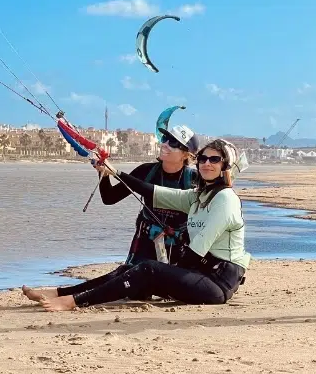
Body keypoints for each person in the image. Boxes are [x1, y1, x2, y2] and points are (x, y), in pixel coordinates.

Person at [37, 138, 251, 312]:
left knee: (148, 269)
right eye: (203, 158)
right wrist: (116, 173)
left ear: (226, 165)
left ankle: (71, 303)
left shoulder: (225, 199)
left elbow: (197, 250)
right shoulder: (198, 196)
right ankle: (63, 293)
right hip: (200, 275)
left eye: (214, 159)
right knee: (129, 271)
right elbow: (153, 191)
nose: (206, 163)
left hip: (217, 282)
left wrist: (167, 272)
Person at [22, 124, 199, 303]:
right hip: (147, 240)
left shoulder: (194, 180)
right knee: (127, 282)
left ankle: (63, 295)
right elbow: (110, 198)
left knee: (159, 287)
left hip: (180, 245)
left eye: (174, 143)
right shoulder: (146, 171)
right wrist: (104, 175)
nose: (165, 144)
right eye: (165, 139)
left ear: (186, 154)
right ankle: (61, 293)